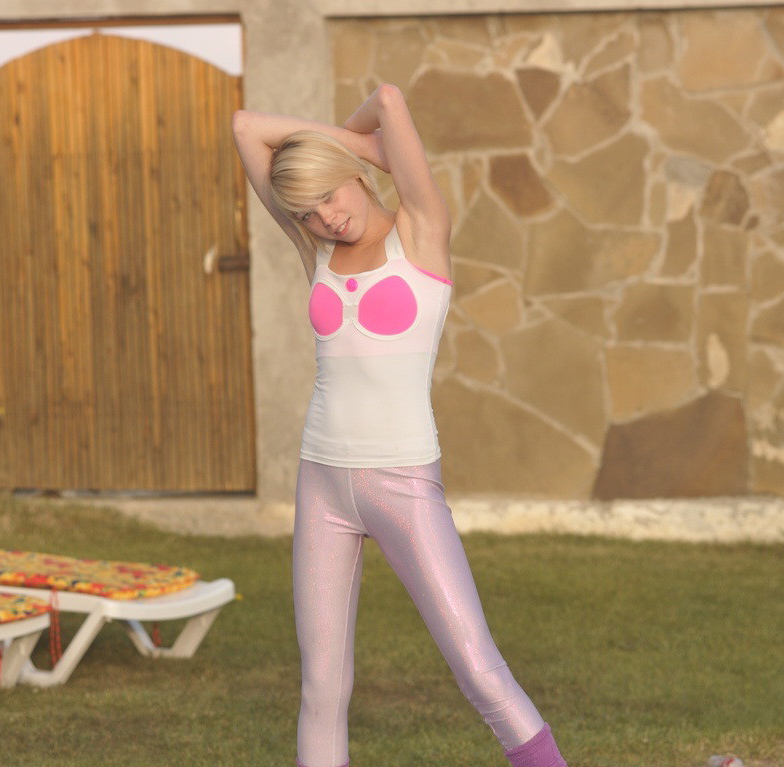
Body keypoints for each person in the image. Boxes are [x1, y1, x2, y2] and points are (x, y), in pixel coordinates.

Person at [232, 84, 567, 767]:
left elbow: (387, 98)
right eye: (310, 211)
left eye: (332, 194)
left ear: (359, 179)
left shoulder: (421, 231)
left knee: (477, 666)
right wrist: (349, 150)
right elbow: (244, 127)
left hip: (403, 480)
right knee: (322, 685)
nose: (327, 217)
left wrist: (354, 146)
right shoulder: (314, 250)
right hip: (322, 480)